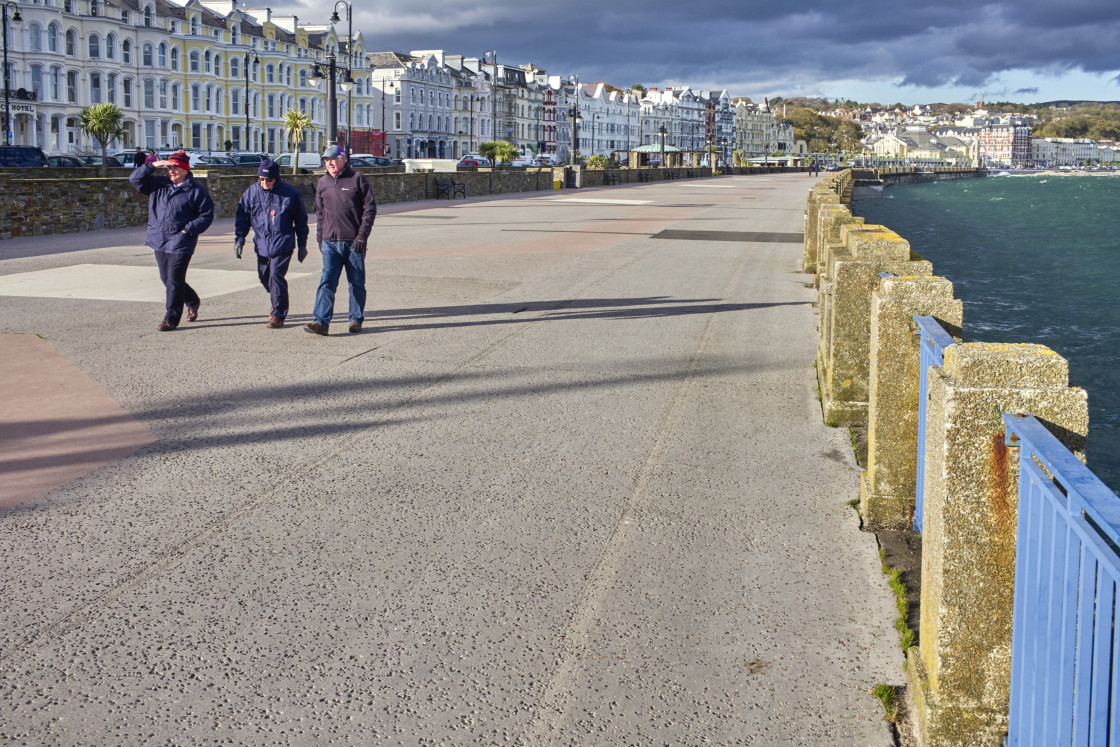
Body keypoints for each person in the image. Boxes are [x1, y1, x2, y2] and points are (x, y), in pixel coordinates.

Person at [129, 150, 214, 331]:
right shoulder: (158, 183)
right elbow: (135, 180)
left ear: (185, 170)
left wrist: (187, 230)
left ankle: (171, 318)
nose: (171, 172)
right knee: (166, 278)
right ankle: (192, 300)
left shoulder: (196, 191)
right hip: (159, 238)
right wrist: (152, 165)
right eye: (169, 169)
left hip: (181, 240)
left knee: (174, 279)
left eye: (175, 169)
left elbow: (206, 215)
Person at [305, 144, 377, 336]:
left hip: (353, 242)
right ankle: (321, 322)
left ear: (343, 158)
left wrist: (362, 236)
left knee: (356, 282)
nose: (329, 163)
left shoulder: (357, 179)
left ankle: (355, 319)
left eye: (332, 159)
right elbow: (320, 213)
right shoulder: (322, 183)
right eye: (326, 160)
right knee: (327, 281)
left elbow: (369, 209)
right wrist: (320, 238)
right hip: (330, 242)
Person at [234, 159, 309, 328]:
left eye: (268, 180)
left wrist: (302, 245)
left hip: (283, 243)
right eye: (261, 179)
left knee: (276, 276)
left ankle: (278, 314)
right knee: (264, 277)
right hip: (262, 244)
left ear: (276, 178)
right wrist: (239, 239)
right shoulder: (251, 193)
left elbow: (301, 221)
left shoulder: (289, 194)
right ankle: (277, 297)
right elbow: (242, 218)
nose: (264, 183)